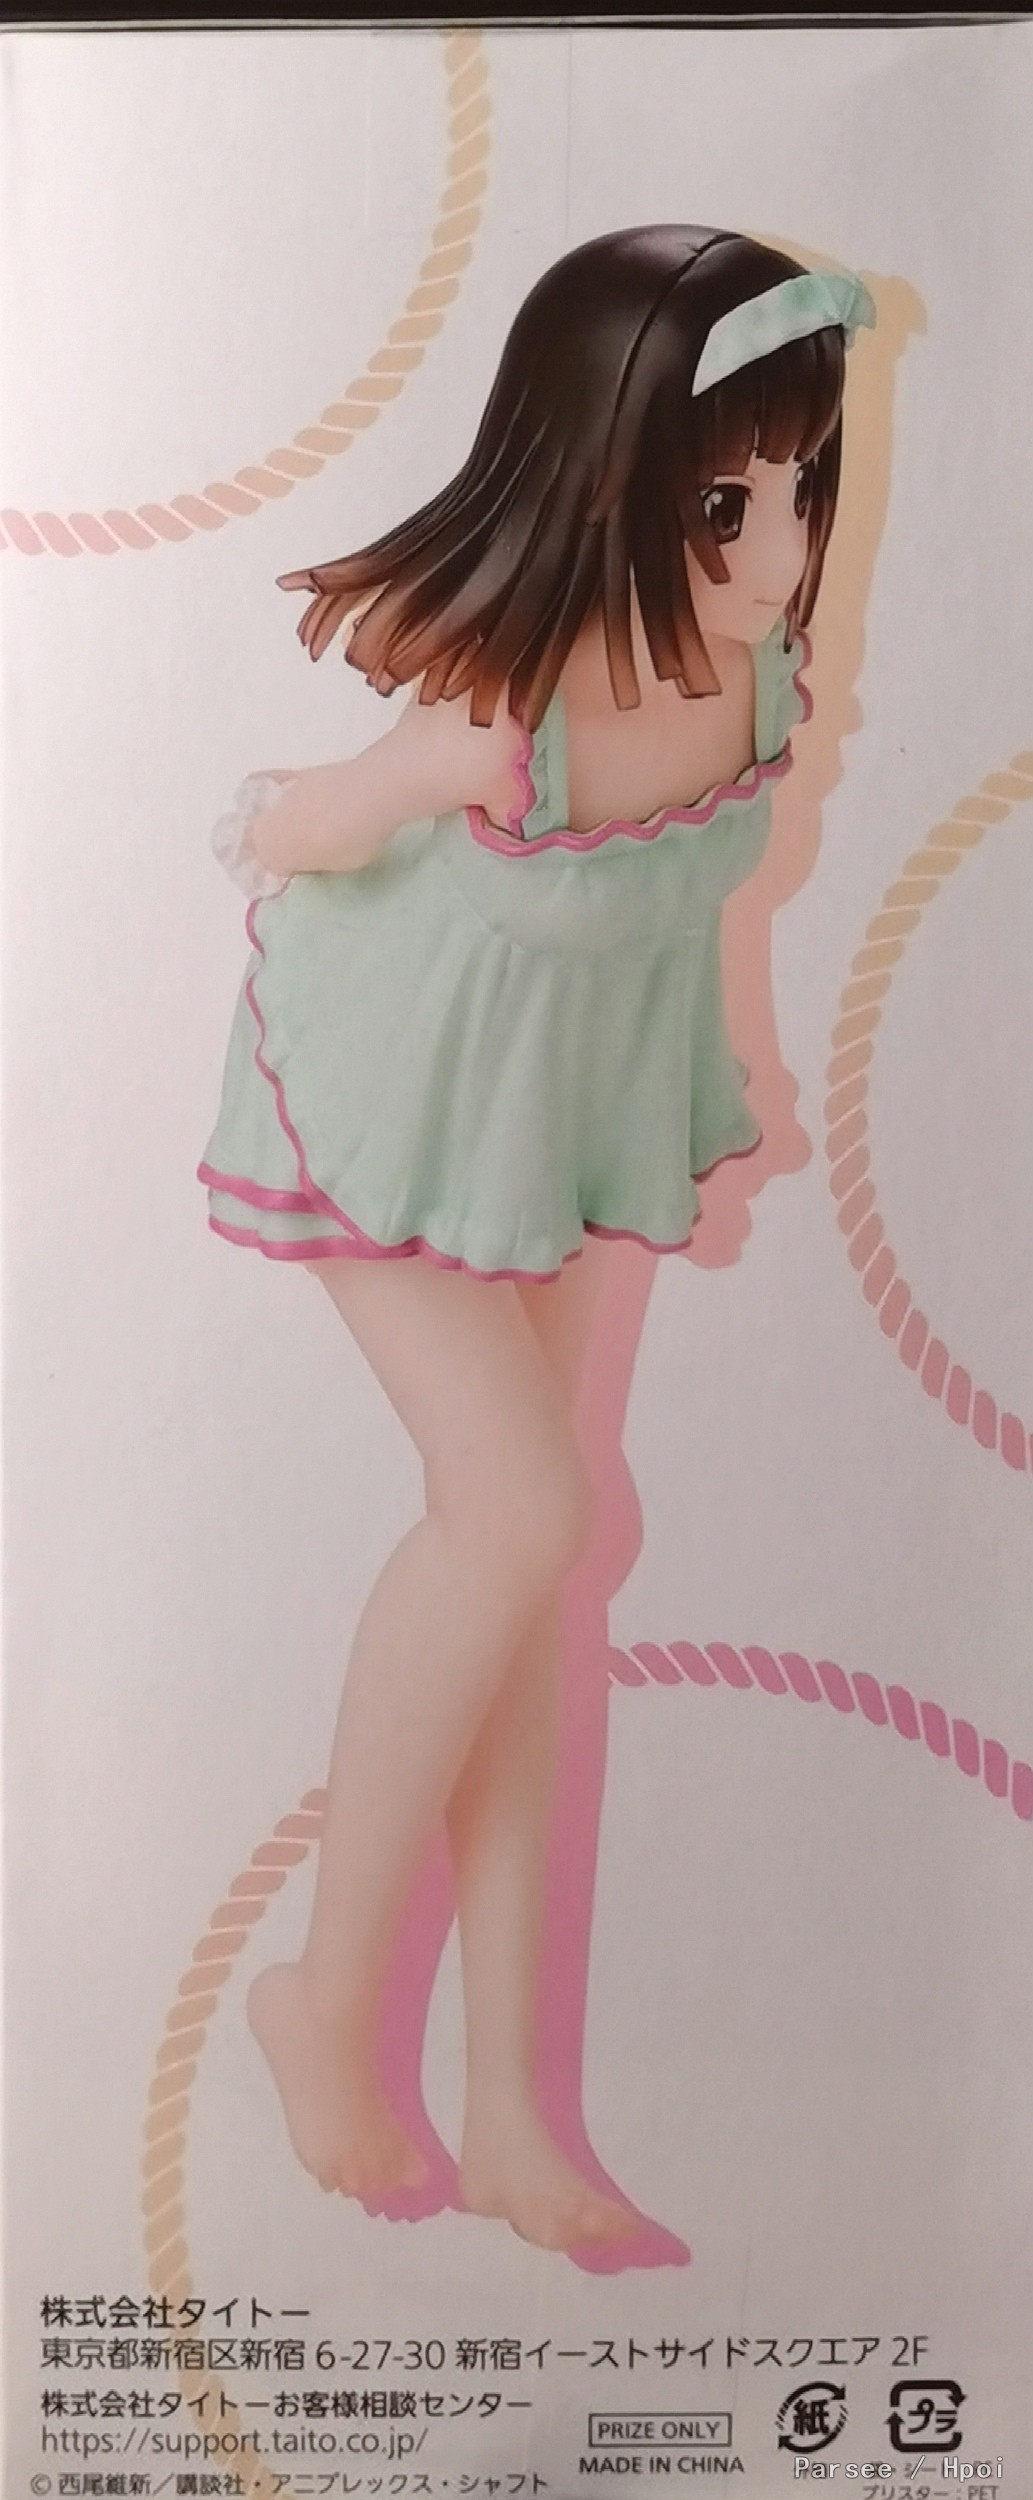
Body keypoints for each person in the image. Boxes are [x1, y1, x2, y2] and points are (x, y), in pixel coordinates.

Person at [198, 224, 874, 2254]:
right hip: (395, 1102)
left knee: (539, 1566)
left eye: (800, 487)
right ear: (599, 471)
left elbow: (685, 914)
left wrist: (735, 1078)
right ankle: (322, 2000)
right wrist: (403, 768)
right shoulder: (510, 690)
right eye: (724, 501)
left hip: (575, 1120)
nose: (777, 546)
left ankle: (508, 2111)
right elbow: (278, 830)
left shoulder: (753, 672)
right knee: (517, 1515)